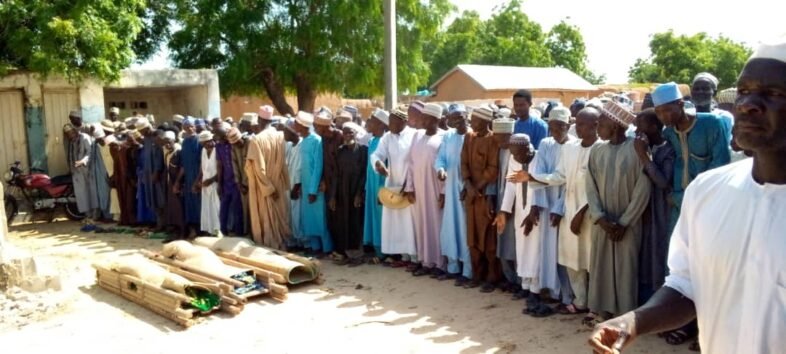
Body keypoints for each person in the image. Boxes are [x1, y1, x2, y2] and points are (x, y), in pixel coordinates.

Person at [590, 38, 786, 354]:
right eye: (745, 91)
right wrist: (635, 322)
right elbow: (687, 285)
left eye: (774, 94)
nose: (749, 104)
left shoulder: (708, 129)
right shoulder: (708, 192)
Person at [526, 107, 602, 316]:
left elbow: (599, 187)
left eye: (583, 124)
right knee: (572, 259)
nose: (578, 128)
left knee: (592, 260)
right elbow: (560, 176)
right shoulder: (570, 149)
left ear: (596, 126)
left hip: (592, 214)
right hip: (569, 209)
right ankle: (580, 302)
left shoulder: (602, 149)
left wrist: (581, 212)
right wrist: (535, 179)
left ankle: (596, 305)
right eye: (577, 123)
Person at [584, 101, 651, 324]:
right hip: (603, 223)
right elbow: (590, 186)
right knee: (601, 265)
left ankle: (624, 316)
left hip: (628, 224)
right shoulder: (597, 150)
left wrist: (624, 222)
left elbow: (643, 189)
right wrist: (600, 217)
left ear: (614, 125)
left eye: (601, 123)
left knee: (625, 268)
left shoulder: (637, 149)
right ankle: (602, 311)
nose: (598, 128)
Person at [652, 82, 731, 233]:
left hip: (707, 202)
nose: (662, 116)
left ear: (680, 104)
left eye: (667, 110)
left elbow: (720, 166)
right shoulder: (668, 133)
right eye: (658, 112)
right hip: (678, 206)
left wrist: (682, 197)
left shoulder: (712, 124)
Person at [521, 106, 576, 316]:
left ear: (567, 126)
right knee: (547, 250)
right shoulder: (545, 144)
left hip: (566, 204)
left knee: (565, 253)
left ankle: (568, 296)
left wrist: (559, 207)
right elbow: (538, 174)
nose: (555, 131)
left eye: (560, 127)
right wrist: (538, 205)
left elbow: (568, 181)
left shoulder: (574, 147)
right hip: (546, 204)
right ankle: (551, 291)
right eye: (552, 127)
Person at [632, 109, 675, 302]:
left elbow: (663, 182)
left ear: (654, 127)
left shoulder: (667, 150)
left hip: (661, 212)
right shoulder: (648, 148)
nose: (637, 130)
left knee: (660, 254)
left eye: (641, 126)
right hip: (645, 211)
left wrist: (643, 156)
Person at [370, 109, 418, 267]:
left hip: (411, 186)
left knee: (411, 221)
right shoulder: (387, 138)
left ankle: (416, 258)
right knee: (396, 221)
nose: (389, 125)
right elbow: (376, 155)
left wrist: (409, 183)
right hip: (393, 185)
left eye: (392, 122)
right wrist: (379, 164)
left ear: (403, 122)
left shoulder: (414, 135)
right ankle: (403, 256)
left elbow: (416, 161)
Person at [461, 106, 500, 291]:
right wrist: (468, 185)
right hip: (472, 196)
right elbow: (464, 163)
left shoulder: (493, 140)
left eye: (475, 120)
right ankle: (477, 274)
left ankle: (492, 277)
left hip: (485, 196)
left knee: (489, 237)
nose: (472, 123)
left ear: (485, 122)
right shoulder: (469, 137)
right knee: (473, 236)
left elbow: (493, 168)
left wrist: (477, 187)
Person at [405, 103, 446, 276]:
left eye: (426, 118)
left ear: (435, 120)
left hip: (435, 189)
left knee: (437, 225)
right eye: (422, 118)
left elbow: (446, 165)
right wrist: (409, 186)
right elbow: (411, 164)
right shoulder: (417, 136)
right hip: (419, 190)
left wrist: (443, 192)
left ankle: (440, 264)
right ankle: (425, 261)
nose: (421, 121)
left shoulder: (444, 137)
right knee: (421, 224)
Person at [246, 105, 291, 249]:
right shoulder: (280, 136)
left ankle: (270, 246)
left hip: (264, 186)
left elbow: (258, 168)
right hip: (278, 181)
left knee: (265, 215)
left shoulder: (256, 140)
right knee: (279, 215)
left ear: (259, 119)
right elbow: (283, 162)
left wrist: (269, 188)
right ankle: (281, 244)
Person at [435, 104, 471, 283]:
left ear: (466, 115)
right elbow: (440, 158)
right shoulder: (448, 136)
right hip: (450, 189)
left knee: (465, 229)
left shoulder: (472, 136)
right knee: (450, 228)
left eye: (459, 117)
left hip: (467, 190)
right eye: (452, 117)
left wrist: (468, 186)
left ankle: (468, 271)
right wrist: (441, 169)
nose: (456, 121)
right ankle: (453, 266)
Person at [499, 134, 537, 300]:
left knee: (535, 249)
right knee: (521, 248)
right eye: (513, 154)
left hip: (536, 212)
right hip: (520, 211)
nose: (516, 158)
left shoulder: (539, 158)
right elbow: (510, 185)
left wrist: (533, 211)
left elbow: (542, 187)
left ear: (528, 149)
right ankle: (525, 285)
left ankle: (535, 289)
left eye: (519, 154)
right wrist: (504, 211)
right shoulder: (515, 159)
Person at [292, 112, 332, 256]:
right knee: (309, 220)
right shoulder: (304, 141)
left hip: (315, 189)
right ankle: (315, 248)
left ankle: (326, 249)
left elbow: (318, 167)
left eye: (296, 123)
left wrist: (313, 190)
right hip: (306, 186)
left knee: (320, 219)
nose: (294, 126)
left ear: (302, 125)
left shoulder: (316, 140)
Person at [329, 123, 368, 266]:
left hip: (356, 191)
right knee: (343, 223)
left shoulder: (363, 151)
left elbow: (364, 173)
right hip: (342, 193)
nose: (348, 135)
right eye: (345, 133)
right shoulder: (341, 151)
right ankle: (346, 254)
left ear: (356, 134)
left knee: (356, 222)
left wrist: (359, 193)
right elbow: (336, 175)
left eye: (350, 132)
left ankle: (357, 256)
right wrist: (333, 195)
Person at [490, 116, 520, 295]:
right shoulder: (499, 151)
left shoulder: (518, 151)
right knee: (502, 242)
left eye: (502, 137)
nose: (498, 141)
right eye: (496, 137)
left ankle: (519, 282)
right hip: (501, 202)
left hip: (516, 206)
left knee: (515, 245)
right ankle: (510, 279)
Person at [314, 108, 343, 256]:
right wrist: (325, 180)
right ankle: (334, 249)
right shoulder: (323, 139)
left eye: (317, 126)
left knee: (340, 215)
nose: (315, 128)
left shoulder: (339, 136)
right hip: (329, 182)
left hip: (341, 183)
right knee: (331, 216)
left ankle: (343, 250)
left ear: (324, 126)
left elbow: (340, 165)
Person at [363, 109, 388, 263]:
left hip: (381, 186)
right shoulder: (372, 141)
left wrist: (383, 190)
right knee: (373, 217)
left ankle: (384, 251)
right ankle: (377, 249)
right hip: (371, 185)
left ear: (379, 123)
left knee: (381, 218)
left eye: (371, 120)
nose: (368, 123)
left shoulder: (385, 141)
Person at [216, 127, 245, 236]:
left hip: (236, 181)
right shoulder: (218, 146)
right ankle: (223, 231)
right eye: (219, 137)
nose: (221, 139)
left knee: (237, 208)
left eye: (223, 137)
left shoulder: (233, 144)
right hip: (225, 182)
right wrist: (219, 183)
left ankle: (239, 233)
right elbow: (219, 165)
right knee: (224, 208)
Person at [176, 118, 202, 236]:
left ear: (195, 127)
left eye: (191, 126)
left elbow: (203, 163)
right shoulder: (185, 143)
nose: (189, 129)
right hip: (188, 179)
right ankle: (193, 229)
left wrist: (198, 181)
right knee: (190, 205)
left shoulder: (200, 141)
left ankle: (203, 230)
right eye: (186, 128)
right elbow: (183, 165)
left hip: (199, 178)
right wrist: (177, 181)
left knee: (200, 205)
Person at [64, 124, 93, 227]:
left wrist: (83, 161)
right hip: (76, 171)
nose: (70, 135)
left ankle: (94, 215)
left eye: (71, 132)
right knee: (81, 193)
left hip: (86, 169)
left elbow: (90, 152)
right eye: (67, 134)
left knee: (90, 192)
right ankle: (87, 215)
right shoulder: (72, 142)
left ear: (75, 131)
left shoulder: (84, 137)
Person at [283, 118, 305, 248]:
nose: (284, 134)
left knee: (298, 216)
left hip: (296, 187)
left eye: (286, 131)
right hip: (290, 184)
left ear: (293, 132)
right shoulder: (291, 146)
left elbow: (300, 169)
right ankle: (295, 241)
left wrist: (296, 188)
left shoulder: (301, 146)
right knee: (292, 216)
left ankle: (303, 242)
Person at [691, 72, 734, 137]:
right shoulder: (685, 116)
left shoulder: (724, 117)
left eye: (705, 89)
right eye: (696, 89)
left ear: (714, 93)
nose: (700, 92)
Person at [194, 131, 220, 235]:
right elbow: (202, 168)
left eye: (207, 142)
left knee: (217, 207)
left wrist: (211, 180)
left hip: (216, 183)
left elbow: (222, 169)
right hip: (205, 183)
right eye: (203, 144)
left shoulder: (217, 150)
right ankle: (210, 231)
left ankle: (219, 230)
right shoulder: (204, 151)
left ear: (211, 140)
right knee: (207, 208)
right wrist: (197, 181)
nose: (206, 145)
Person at [161, 131, 185, 241]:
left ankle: (182, 233)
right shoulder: (167, 153)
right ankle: (174, 231)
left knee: (179, 209)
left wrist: (177, 183)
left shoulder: (178, 151)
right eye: (165, 142)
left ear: (174, 140)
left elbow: (182, 168)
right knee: (172, 208)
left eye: (169, 142)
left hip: (178, 184)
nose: (167, 144)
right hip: (170, 183)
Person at [87, 125, 113, 223]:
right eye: (98, 140)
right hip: (98, 173)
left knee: (109, 194)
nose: (100, 141)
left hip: (109, 172)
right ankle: (104, 215)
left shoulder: (109, 144)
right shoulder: (95, 145)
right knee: (100, 194)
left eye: (101, 139)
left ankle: (110, 216)